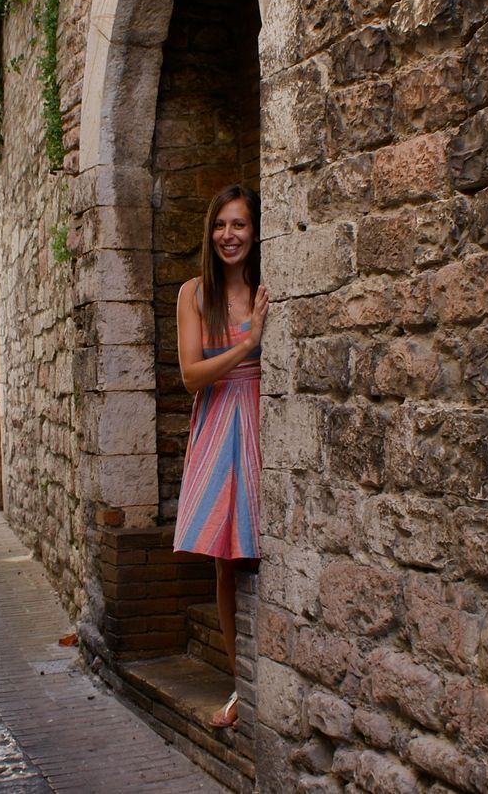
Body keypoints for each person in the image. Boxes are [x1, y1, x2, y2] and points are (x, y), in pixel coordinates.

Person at [173, 184, 268, 730]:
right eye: (220, 226)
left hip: (260, 417)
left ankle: (265, 677)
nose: (228, 236)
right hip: (216, 423)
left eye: (239, 225)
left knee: (260, 553)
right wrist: (247, 341)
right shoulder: (194, 294)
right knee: (226, 563)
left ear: (254, 232)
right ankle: (242, 688)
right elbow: (191, 376)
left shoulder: (264, 287)